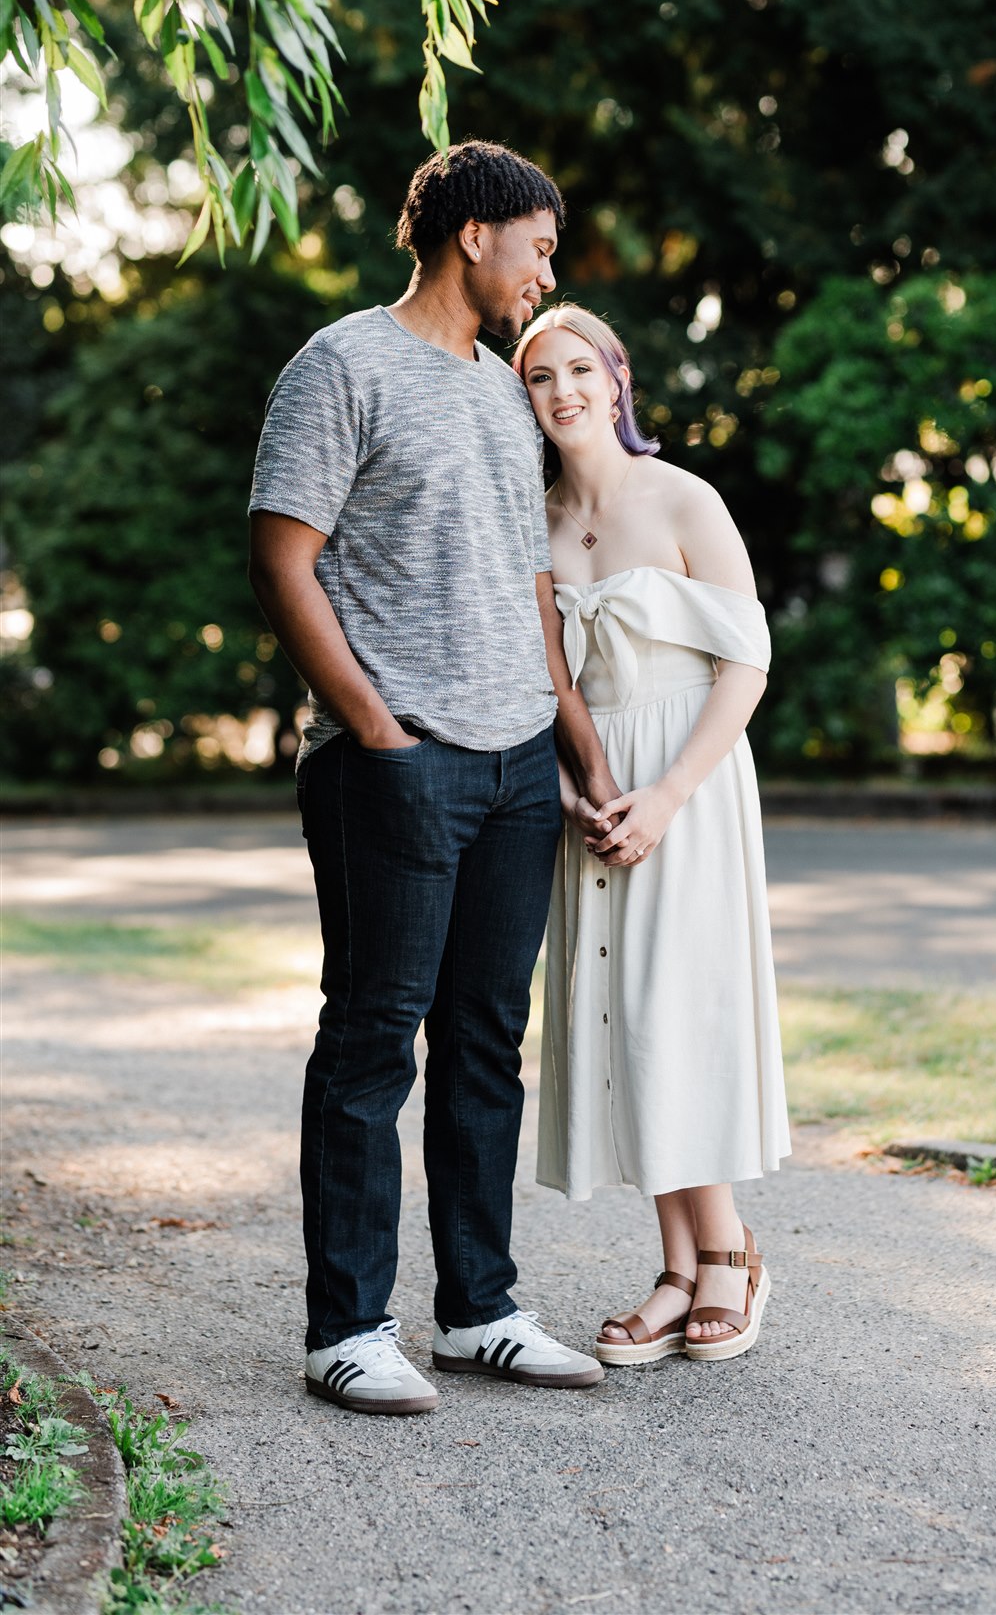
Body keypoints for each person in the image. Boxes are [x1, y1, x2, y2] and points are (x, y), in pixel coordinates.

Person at [247, 142, 620, 1414]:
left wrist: (569, 735)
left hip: (517, 762)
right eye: (539, 242)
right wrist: (376, 727)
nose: (546, 267)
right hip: (394, 764)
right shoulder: (341, 364)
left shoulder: (500, 394)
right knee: (370, 1038)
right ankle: (348, 1324)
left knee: (484, 1042)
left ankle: (481, 1308)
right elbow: (283, 558)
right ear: (476, 234)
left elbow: (527, 583)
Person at [515, 304, 791, 1364]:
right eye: (541, 377)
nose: (564, 389)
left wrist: (670, 792)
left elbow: (749, 661)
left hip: (688, 775)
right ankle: (678, 1267)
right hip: (589, 789)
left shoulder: (683, 499)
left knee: (676, 1002)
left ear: (618, 376)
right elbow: (538, 681)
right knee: (624, 1015)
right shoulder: (533, 520)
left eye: (581, 367)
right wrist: (566, 786)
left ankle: (728, 1254)